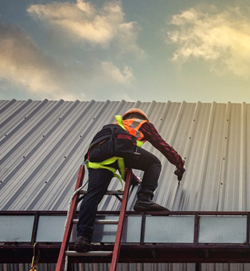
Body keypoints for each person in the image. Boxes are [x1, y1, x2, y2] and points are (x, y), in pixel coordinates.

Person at [73, 108, 185, 252]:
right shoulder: (141, 124)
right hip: (118, 152)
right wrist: (179, 164)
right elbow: (162, 145)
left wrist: (132, 179)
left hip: (97, 158)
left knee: (93, 195)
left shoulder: (115, 127)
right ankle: (144, 199)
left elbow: (120, 160)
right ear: (141, 117)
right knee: (154, 163)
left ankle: (83, 237)